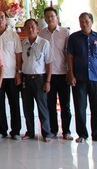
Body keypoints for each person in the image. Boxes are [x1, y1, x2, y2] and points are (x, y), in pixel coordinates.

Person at [67, 12, 97, 143]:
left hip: (96, 77)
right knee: (80, 107)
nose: (84, 24)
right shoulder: (74, 38)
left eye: (86, 21)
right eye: (81, 21)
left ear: (91, 22)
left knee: (96, 107)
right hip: (79, 78)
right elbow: (70, 56)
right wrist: (71, 74)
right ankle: (82, 134)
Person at [39, 7, 73, 140]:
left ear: (57, 17)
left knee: (65, 105)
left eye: (52, 16)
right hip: (48, 75)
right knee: (50, 104)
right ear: (45, 19)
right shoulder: (42, 33)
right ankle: (53, 130)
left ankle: (66, 131)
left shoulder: (65, 32)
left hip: (63, 73)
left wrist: (70, 71)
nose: (50, 18)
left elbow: (69, 53)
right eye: (47, 16)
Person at [0, 10, 22, 140]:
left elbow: (18, 55)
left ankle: (16, 131)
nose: (0, 20)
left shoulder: (14, 35)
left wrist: (18, 72)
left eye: (2, 17)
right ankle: (2, 130)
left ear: (6, 19)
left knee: (14, 104)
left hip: (11, 75)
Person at [19, 19, 53, 142]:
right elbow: (20, 62)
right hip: (26, 79)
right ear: (24, 29)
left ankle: (46, 133)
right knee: (27, 108)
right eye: (28, 27)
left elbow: (49, 64)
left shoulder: (44, 43)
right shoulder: (23, 43)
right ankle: (30, 132)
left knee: (42, 107)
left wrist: (48, 81)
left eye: (33, 26)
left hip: (39, 79)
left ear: (37, 29)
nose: (30, 29)